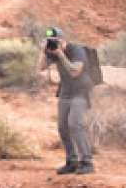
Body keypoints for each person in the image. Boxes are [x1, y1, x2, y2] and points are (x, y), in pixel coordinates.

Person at [37, 27, 94, 174]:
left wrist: (60, 54)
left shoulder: (77, 50)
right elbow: (41, 67)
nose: (53, 44)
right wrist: (43, 51)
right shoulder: (53, 51)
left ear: (63, 40)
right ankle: (72, 161)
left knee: (75, 124)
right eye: (51, 41)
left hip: (80, 91)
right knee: (62, 127)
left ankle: (87, 162)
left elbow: (75, 71)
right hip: (65, 92)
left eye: (55, 41)